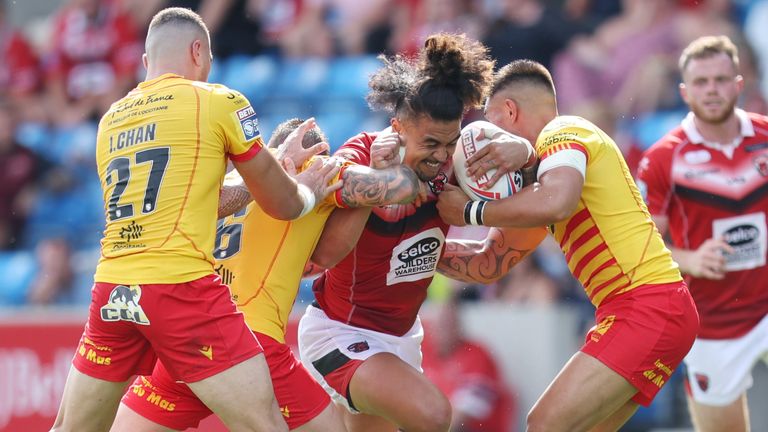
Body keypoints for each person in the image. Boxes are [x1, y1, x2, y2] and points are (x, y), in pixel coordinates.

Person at [51, 8, 340, 432]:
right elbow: (282, 204)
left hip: (114, 289)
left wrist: (278, 160)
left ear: (147, 64)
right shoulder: (218, 100)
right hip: (181, 289)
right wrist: (307, 187)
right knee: (265, 424)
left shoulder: (111, 119)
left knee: (71, 428)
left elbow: (196, 199)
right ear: (198, 51)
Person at [109, 113, 429, 432]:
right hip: (251, 343)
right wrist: (384, 161)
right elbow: (401, 188)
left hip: (189, 336)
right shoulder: (317, 173)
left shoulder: (234, 184)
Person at [298, 33, 547, 432]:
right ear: (398, 126)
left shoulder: (458, 161)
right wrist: (387, 181)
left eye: (449, 144)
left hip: (401, 341)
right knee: (433, 414)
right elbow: (327, 252)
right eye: (430, 142)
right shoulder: (361, 153)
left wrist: (527, 155)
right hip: (340, 333)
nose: (441, 156)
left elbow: (530, 199)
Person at [436, 59, 699, 431]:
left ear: (510, 111)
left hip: (646, 306)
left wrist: (471, 212)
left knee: (544, 423)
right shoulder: (542, 179)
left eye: (492, 124)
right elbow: (487, 264)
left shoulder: (564, 130)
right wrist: (412, 248)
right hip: (648, 310)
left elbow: (558, 200)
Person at [636, 35, 768, 432]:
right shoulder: (662, 158)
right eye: (701, 82)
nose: (712, 90)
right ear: (684, 91)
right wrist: (690, 258)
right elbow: (643, 244)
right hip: (711, 322)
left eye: (721, 79)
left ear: (739, 84)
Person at [421, 293, 516, 432]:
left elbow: (458, 420)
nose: (443, 330)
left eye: (449, 323)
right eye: (439, 324)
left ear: (459, 325)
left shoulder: (478, 356)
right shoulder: (424, 351)